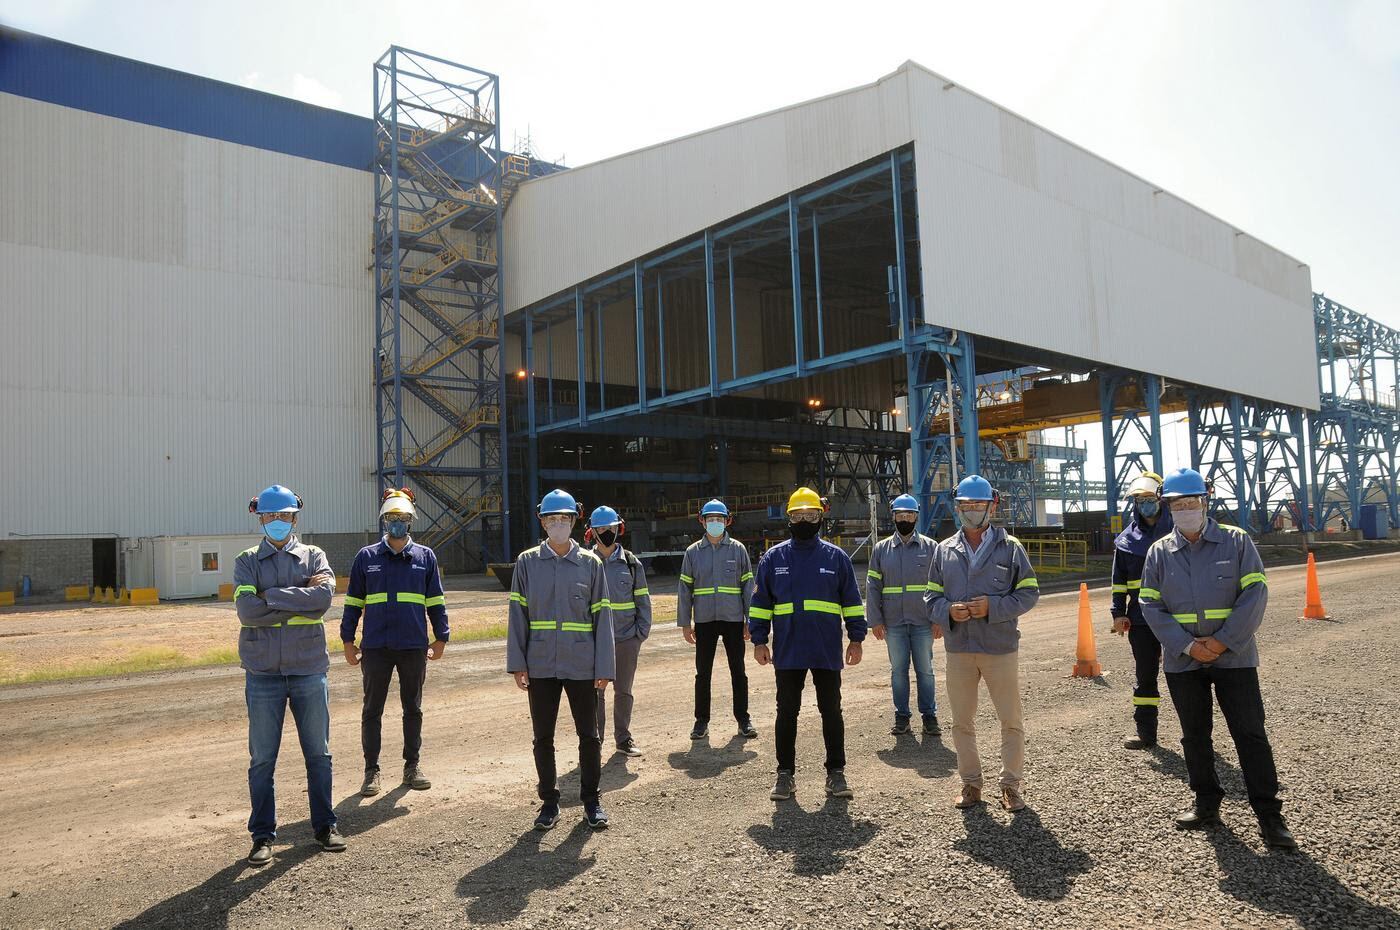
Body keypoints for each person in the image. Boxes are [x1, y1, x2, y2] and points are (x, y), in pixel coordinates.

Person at [1140, 467, 1295, 849]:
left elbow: (1255, 596)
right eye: (1178, 504)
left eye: (1191, 502)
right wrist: (1190, 646)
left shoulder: (1236, 542)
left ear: (1205, 502)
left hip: (1234, 658)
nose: (1185, 508)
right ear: (1168, 508)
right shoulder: (1160, 552)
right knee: (1195, 737)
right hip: (1184, 661)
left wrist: (1223, 642)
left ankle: (1270, 817)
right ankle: (1206, 804)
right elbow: (1150, 604)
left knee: (1250, 735)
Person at [233, 484, 341, 865]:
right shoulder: (247, 560)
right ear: (259, 518)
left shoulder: (314, 555)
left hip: (309, 668)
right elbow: (247, 612)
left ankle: (325, 826)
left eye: (283, 515)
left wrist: (270, 597)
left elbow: (324, 600)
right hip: (263, 672)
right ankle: (263, 836)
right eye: (269, 516)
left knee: (319, 754)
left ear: (295, 516)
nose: (276, 522)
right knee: (262, 759)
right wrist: (298, 597)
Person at [926, 475, 1039, 812]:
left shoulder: (1011, 548)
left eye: (978, 505)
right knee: (962, 721)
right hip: (959, 649)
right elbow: (930, 596)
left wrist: (994, 607)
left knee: (1011, 720)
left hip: (999, 646)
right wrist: (947, 611)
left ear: (992, 506)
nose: (972, 511)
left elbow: (1029, 592)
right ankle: (972, 784)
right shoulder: (944, 550)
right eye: (966, 506)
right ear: (957, 507)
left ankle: (1011, 786)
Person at [506, 489, 615, 831]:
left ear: (573, 521)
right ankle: (549, 803)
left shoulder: (591, 564)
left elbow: (603, 618)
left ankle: (591, 800)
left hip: (582, 664)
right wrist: (518, 662)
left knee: (589, 736)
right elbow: (517, 615)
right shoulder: (526, 563)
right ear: (542, 521)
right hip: (540, 664)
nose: (558, 525)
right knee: (543, 737)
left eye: (564, 519)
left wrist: (605, 668)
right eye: (552, 519)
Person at [748, 487, 866, 801]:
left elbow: (852, 603)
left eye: (810, 515)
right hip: (788, 650)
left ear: (820, 517)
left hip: (826, 649)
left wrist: (856, 638)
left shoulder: (836, 557)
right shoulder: (774, 558)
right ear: (789, 519)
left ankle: (836, 773)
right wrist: (759, 640)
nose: (804, 520)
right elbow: (760, 604)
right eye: (798, 515)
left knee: (831, 711)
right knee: (786, 712)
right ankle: (784, 775)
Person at [340, 488, 449, 797]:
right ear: (383, 521)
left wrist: (442, 636)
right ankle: (371, 771)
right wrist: (348, 640)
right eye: (391, 518)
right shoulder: (367, 557)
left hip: (413, 645)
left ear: (410, 521)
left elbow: (436, 602)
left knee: (412, 708)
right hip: (375, 647)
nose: (396, 523)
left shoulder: (425, 557)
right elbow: (352, 603)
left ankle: (412, 766)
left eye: (402, 518)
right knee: (371, 710)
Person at [677, 499, 758, 740]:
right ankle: (701, 721)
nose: (715, 523)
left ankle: (743, 719)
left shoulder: (738, 549)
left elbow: (747, 586)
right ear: (702, 520)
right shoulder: (692, 553)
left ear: (727, 521)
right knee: (703, 673)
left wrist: (749, 620)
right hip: (704, 620)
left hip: (733, 619)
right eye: (710, 519)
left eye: (719, 519)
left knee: (738, 670)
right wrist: (684, 623)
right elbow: (685, 589)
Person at [1109, 472, 1174, 750]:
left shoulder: (1178, 532)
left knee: (1185, 677)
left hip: (1177, 617)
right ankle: (1146, 733)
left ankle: (1196, 734)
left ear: (1161, 498)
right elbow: (1119, 581)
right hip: (1140, 619)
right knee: (1145, 676)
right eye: (1140, 500)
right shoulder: (1126, 541)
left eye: (1150, 499)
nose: (1145, 504)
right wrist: (1118, 613)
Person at [867, 493, 941, 737]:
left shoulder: (932, 548)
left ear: (916, 516)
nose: (905, 519)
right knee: (898, 672)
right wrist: (875, 621)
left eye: (909, 514)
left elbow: (942, 585)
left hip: (923, 622)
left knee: (925, 671)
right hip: (894, 624)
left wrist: (939, 618)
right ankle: (902, 717)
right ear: (894, 516)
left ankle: (929, 717)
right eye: (900, 514)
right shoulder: (881, 550)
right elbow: (873, 586)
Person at [587, 505, 651, 757]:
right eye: (600, 529)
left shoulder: (632, 564)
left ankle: (623, 739)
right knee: (595, 693)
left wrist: (639, 635)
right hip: (594, 642)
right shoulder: (584, 563)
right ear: (592, 532)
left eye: (610, 528)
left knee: (623, 690)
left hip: (626, 639)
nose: (606, 533)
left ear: (619, 529)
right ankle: (596, 741)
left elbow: (643, 600)